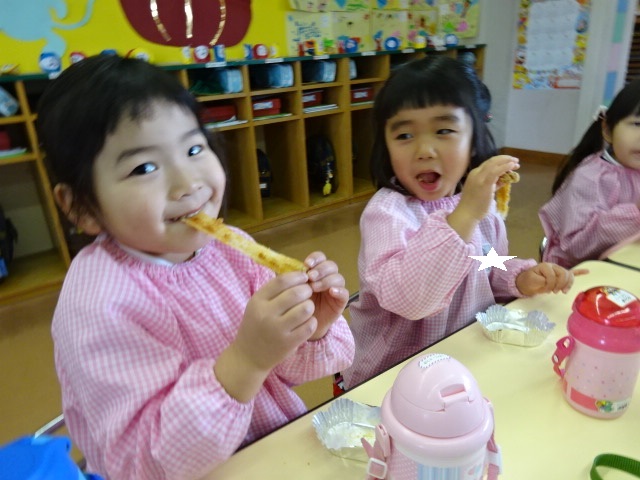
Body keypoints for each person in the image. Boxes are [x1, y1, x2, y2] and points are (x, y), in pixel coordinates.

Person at [37, 55, 355, 480]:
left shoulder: (231, 248)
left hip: (272, 451)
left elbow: (291, 371)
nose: (188, 183)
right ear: (80, 207)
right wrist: (245, 361)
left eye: (193, 149)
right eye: (144, 168)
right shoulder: (99, 305)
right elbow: (145, 463)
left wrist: (311, 326)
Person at [342, 56, 583, 389]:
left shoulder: (478, 204)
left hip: (465, 357)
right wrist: (466, 214)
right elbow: (412, 301)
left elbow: (489, 264)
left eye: (444, 131)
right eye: (404, 135)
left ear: (473, 141)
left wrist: (521, 277)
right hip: (395, 375)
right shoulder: (387, 214)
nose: (424, 150)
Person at [539, 79, 640, 268]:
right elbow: (577, 246)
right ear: (608, 130)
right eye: (637, 123)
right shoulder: (590, 178)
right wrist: (635, 211)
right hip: (578, 273)